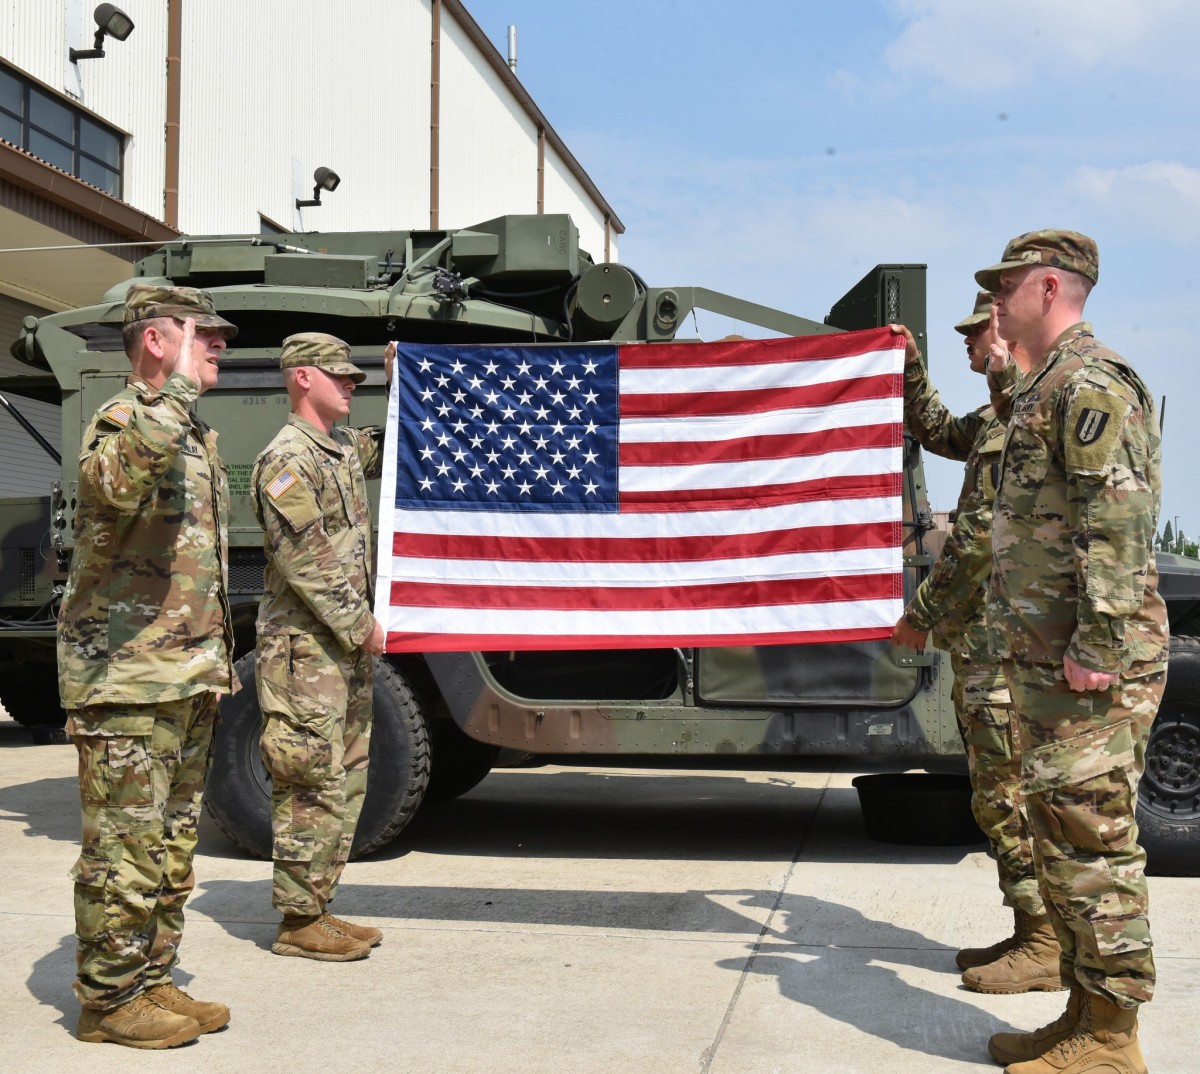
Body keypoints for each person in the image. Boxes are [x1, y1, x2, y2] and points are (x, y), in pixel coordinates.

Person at [977, 231, 1165, 1074]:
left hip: (1087, 664)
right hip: (1047, 659)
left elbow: (1117, 518)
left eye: (1004, 287)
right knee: (1059, 833)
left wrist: (1095, 641)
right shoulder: (1042, 386)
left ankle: (1115, 1040)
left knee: (1093, 840)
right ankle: (1085, 1011)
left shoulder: (1091, 384)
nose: (994, 302)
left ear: (1048, 287)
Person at [58, 284, 238, 1048]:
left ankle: (149, 975)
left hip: (185, 672)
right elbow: (112, 485)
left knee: (169, 848)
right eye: (206, 335)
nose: (220, 347)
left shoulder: (193, 434)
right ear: (157, 341)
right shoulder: (128, 418)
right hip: (125, 677)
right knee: (124, 850)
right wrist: (175, 400)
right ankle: (106, 1000)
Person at [890, 294, 1061, 996]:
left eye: (976, 333)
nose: (967, 343)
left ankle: (1045, 940)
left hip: (1008, 641)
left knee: (1006, 788)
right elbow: (935, 429)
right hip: (990, 638)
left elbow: (974, 535)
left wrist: (922, 610)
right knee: (997, 788)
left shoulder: (1030, 415)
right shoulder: (1000, 416)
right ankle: (1031, 929)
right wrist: (909, 368)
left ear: (1009, 334)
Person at [252, 332, 393, 961]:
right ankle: (297, 919)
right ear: (302, 377)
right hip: (304, 653)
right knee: (308, 780)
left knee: (345, 780)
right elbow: (303, 557)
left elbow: (399, 443)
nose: (350, 386)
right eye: (341, 377)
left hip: (339, 652)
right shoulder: (287, 460)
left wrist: (404, 379)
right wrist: (359, 623)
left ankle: (318, 906)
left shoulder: (336, 451)